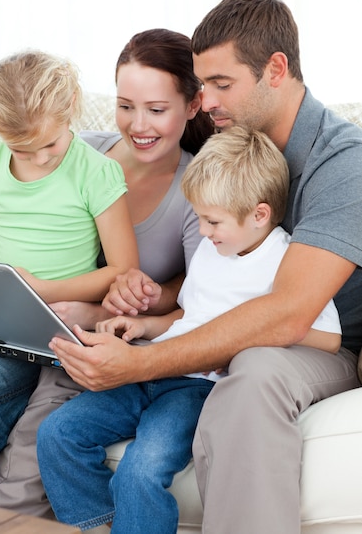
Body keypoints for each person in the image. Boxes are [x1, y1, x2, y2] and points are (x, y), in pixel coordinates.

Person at [43, 0, 362, 534]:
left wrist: (142, 362)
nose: (207, 100)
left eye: (221, 84)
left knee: (256, 369)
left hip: (323, 341)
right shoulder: (227, 149)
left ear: (276, 70)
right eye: (201, 85)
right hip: (216, 340)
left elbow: (288, 315)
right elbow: (200, 286)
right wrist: (136, 324)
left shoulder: (343, 163)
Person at [37, 126, 342, 533]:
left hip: (197, 388)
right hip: (151, 366)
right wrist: (143, 324)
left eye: (212, 221)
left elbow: (328, 338)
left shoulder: (287, 261)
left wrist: (244, 326)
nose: (202, 231)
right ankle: (99, 526)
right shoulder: (214, 248)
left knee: (140, 471)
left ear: (259, 215)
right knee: (57, 434)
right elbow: (189, 316)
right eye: (199, 218)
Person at [0, 29, 214, 514]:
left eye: (156, 109)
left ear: (192, 106)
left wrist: (113, 303)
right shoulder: (75, 152)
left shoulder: (200, 185)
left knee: (30, 448)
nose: (137, 124)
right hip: (35, 322)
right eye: (125, 105)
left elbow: (199, 291)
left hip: (107, 339)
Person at [0, 49, 139, 499]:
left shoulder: (97, 173)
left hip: (39, 325)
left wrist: (43, 289)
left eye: (50, 144)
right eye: (21, 149)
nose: (41, 158)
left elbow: (123, 270)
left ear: (71, 104)